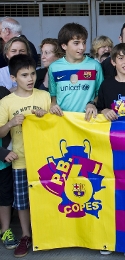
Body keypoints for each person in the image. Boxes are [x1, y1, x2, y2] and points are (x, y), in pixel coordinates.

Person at [0, 55, 51, 257]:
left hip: (46, 158)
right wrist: (11, 123)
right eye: (24, 75)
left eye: (32, 74)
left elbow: (57, 126)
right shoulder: (6, 102)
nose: (30, 79)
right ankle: (26, 235)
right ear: (13, 78)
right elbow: (1, 132)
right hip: (20, 159)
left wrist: (46, 116)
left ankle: (46, 233)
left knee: (47, 196)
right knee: (22, 202)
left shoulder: (44, 96)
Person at [48, 23, 104, 121]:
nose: (82, 47)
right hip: (63, 121)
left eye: (84, 42)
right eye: (76, 43)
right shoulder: (54, 67)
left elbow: (101, 93)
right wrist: (53, 106)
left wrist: (92, 104)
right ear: (64, 46)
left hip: (88, 122)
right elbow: (53, 96)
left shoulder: (95, 66)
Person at [0, 85, 16, 251]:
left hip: (3, 163)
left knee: (5, 197)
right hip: (3, 155)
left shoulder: (3, 93)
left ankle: (5, 230)